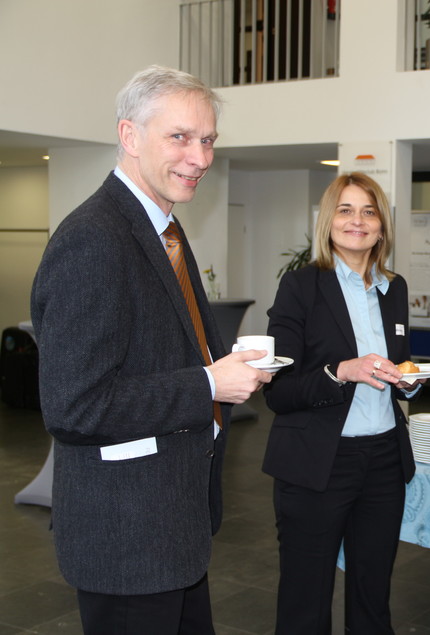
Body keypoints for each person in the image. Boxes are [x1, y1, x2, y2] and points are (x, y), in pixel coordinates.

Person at [30, 65, 272, 633]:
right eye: (180, 137)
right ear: (130, 136)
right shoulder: (94, 237)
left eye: (208, 139)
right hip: (127, 540)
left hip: (172, 524)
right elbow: (75, 406)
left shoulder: (163, 226)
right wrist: (210, 385)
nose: (200, 157)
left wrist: (222, 367)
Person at [263, 171, 425, 634]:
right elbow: (280, 390)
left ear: (382, 225)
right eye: (346, 209)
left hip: (382, 463)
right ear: (328, 220)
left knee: (373, 597)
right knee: (305, 600)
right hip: (318, 464)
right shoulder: (301, 287)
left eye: (369, 211)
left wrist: (406, 381)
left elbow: (397, 363)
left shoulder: (395, 288)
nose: (358, 221)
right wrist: (341, 372)